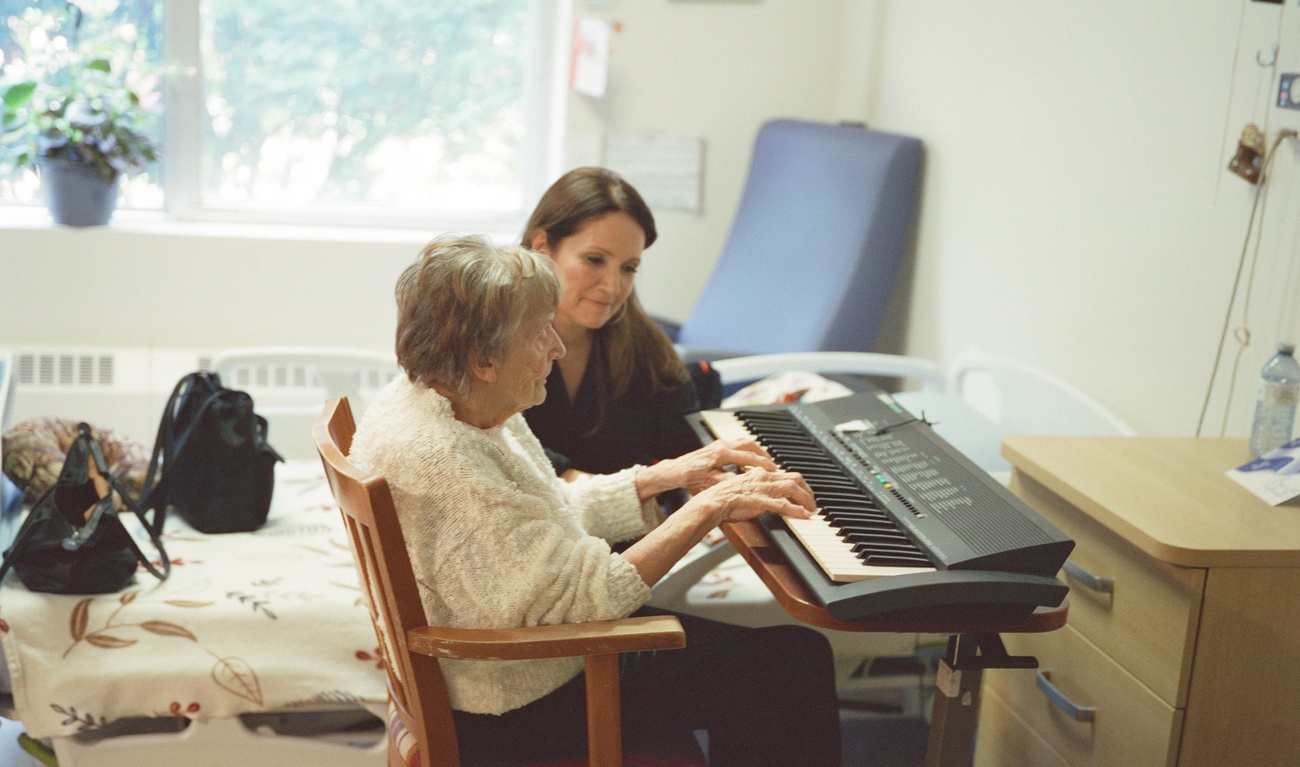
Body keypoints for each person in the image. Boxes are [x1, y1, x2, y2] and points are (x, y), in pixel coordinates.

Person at [349, 234, 841, 767]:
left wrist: (660, 478)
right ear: (482, 358)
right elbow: (592, 596)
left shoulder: (441, 401)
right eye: (540, 335)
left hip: (520, 662)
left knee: (776, 659)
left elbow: (542, 511)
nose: (558, 349)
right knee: (790, 664)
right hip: (521, 701)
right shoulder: (445, 462)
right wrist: (709, 509)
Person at [520, 167, 707, 479]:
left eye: (628, 268)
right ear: (541, 246)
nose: (613, 287)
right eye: (594, 260)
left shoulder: (646, 352)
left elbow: (688, 451)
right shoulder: (487, 336)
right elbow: (483, 445)